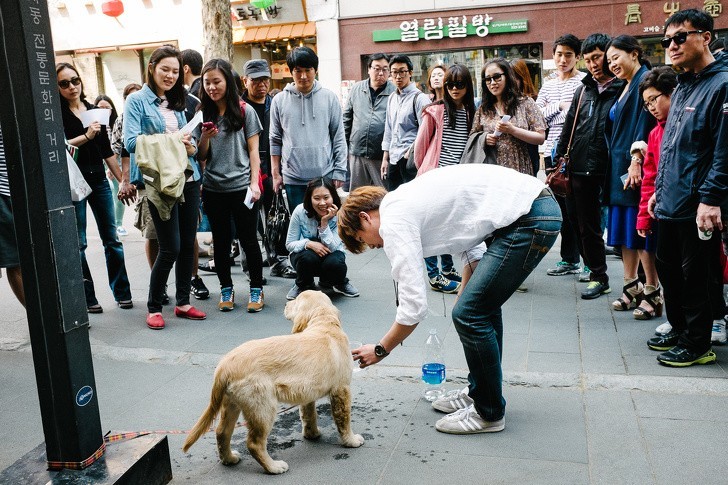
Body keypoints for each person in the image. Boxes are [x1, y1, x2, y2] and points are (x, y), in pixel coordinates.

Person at [339, 164, 561, 435]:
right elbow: (470, 236)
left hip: (529, 217)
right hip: (535, 209)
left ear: (365, 218)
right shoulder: (409, 200)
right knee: (478, 309)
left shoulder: (394, 217)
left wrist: (381, 350)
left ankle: (488, 412)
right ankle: (480, 392)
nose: (374, 246)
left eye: (364, 240)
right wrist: (466, 289)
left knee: (470, 314)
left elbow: (413, 306)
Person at [646, 9, 728, 366]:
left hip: (698, 204)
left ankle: (699, 344)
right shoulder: (682, 85)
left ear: (705, 37)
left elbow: (724, 152)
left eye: (681, 37)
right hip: (670, 200)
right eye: (667, 41)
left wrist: (710, 200)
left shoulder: (722, 83)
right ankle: (681, 332)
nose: (672, 46)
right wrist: (657, 193)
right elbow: (673, 146)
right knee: (669, 270)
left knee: (696, 275)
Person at [123, 45, 205, 330]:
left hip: (189, 178)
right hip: (159, 182)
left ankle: (183, 302)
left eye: (174, 71)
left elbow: (190, 145)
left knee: (187, 245)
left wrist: (190, 144)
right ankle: (154, 305)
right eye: (164, 70)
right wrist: (171, 140)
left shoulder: (177, 100)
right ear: (152, 68)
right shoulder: (136, 101)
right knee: (169, 246)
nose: (170, 76)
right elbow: (131, 142)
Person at [57, 63, 133, 314]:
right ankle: (88, 297)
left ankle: (122, 293)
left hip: (99, 179)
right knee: (79, 243)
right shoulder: (56, 113)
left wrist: (124, 180)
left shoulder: (92, 110)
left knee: (111, 238)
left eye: (75, 80)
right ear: (56, 88)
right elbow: (60, 146)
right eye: (64, 83)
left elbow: (107, 150)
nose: (72, 86)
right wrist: (87, 136)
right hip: (73, 181)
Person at [555, 33, 625, 300]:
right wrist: (561, 157)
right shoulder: (582, 89)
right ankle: (598, 275)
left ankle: (640, 280)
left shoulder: (623, 88)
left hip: (613, 167)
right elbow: (569, 126)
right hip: (580, 166)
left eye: (597, 57)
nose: (593, 64)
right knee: (583, 224)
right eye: (588, 59)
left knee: (625, 224)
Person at [195, 58, 265, 313]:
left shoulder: (245, 111)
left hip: (242, 188)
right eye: (207, 82)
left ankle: (256, 288)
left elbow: (254, 152)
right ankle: (226, 288)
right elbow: (201, 156)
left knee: (249, 240)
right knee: (221, 243)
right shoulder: (202, 114)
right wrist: (204, 137)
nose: (212, 87)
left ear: (228, 81)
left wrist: (254, 184)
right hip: (213, 188)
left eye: (217, 82)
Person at [603, 35, 659, 320]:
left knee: (641, 228)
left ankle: (652, 289)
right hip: (618, 168)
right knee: (624, 229)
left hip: (636, 166)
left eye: (616, 57)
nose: (612, 64)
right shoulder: (623, 86)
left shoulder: (645, 81)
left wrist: (637, 160)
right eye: (609, 60)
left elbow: (646, 124)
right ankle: (630, 284)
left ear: (635, 53)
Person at [412, 64, 478, 293]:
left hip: (458, 179)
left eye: (459, 84)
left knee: (448, 224)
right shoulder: (435, 111)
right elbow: (420, 148)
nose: (454, 89)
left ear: (468, 86)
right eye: (450, 84)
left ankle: (448, 269)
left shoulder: (472, 112)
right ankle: (434, 275)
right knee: (431, 225)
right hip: (436, 175)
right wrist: (425, 173)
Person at [270, 46, 347, 210]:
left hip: (324, 177)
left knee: (326, 223)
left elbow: (338, 137)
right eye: (298, 71)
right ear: (291, 72)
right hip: (293, 179)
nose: (303, 76)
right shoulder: (279, 100)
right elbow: (275, 140)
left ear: (315, 70)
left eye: (308, 70)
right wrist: (276, 174)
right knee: (299, 226)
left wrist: (340, 171)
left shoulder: (329, 98)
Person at [537, 34, 588, 281]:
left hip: (576, 152)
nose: (563, 59)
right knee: (562, 210)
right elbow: (538, 117)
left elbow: (579, 117)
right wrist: (558, 106)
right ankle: (569, 259)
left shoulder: (584, 82)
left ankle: (589, 261)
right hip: (552, 154)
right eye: (559, 54)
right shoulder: (547, 85)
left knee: (581, 210)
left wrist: (559, 112)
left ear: (577, 57)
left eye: (569, 54)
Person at [634, 66, 678, 335]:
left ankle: (715, 318)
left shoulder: (685, 124)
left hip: (689, 210)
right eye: (647, 102)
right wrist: (643, 215)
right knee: (668, 267)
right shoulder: (654, 134)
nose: (651, 106)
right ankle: (676, 320)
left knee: (699, 271)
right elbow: (649, 178)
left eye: (655, 99)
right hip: (662, 211)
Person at [285, 177, 359, 300]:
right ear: (310, 198)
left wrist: (324, 223)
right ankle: (303, 285)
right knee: (305, 258)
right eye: (316, 198)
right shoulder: (299, 211)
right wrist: (308, 244)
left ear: (333, 197)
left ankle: (337, 282)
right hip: (307, 256)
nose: (322, 203)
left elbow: (334, 247)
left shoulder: (340, 214)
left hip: (331, 254)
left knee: (336, 262)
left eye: (326, 197)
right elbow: (289, 244)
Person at [471, 58, 546, 176]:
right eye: (488, 79)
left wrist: (513, 130)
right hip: (492, 170)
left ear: (507, 76)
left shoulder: (526, 103)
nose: (492, 83)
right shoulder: (483, 109)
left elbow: (540, 137)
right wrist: (485, 138)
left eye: (497, 77)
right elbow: (473, 136)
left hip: (520, 168)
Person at [180, 49, 210, 301]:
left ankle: (191, 278)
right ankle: (164, 287)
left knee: (189, 231)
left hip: (191, 175)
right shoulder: (144, 101)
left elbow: (200, 148)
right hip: (159, 177)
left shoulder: (193, 101)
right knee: (158, 236)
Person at [343, 53, 394, 190]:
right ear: (369, 69)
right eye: (377, 68)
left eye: (385, 69)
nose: (381, 73)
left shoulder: (394, 92)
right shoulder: (357, 89)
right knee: (358, 195)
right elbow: (346, 119)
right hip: (357, 151)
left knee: (383, 194)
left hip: (381, 155)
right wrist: (344, 148)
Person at [380, 54, 430, 192]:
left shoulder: (420, 99)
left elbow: (425, 132)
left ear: (410, 73)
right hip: (393, 159)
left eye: (402, 71)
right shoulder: (392, 98)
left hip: (410, 160)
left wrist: (410, 151)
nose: (398, 76)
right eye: (394, 72)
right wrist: (385, 158)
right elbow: (388, 129)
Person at [94, 94, 127, 238]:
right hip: (98, 161)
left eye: (107, 108)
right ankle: (111, 224)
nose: (104, 110)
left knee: (117, 191)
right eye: (100, 107)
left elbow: (118, 145)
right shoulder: (92, 124)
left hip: (115, 160)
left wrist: (111, 167)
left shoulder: (116, 122)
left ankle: (118, 224)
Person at [0, 127, 25, 307]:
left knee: (20, 259)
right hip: (4, 192)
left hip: (21, 191)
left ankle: (39, 319)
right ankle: (38, 319)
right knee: (16, 260)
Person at [509, 59, 540, 176]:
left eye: (515, 78)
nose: (511, 82)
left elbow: (540, 135)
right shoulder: (501, 102)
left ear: (523, 79)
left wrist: (513, 130)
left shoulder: (530, 102)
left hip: (529, 157)